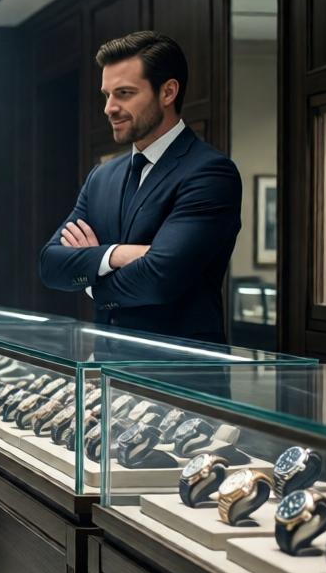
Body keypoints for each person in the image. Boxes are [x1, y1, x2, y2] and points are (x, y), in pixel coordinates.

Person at [38, 31, 242, 343]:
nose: (109, 108)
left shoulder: (210, 174)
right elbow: (51, 266)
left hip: (181, 376)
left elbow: (160, 278)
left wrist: (92, 279)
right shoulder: (102, 176)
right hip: (109, 373)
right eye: (107, 95)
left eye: (124, 93)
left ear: (168, 92)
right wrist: (116, 255)